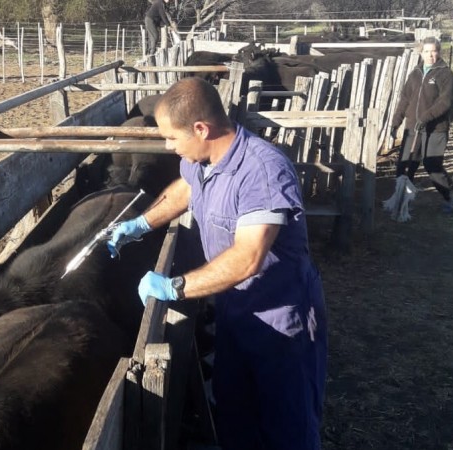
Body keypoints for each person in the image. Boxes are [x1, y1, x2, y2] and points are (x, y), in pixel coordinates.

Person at [108, 77, 327, 450]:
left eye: (172, 138)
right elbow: (185, 189)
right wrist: (141, 224)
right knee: (234, 414)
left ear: (201, 129)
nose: (168, 146)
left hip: (281, 320)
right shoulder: (203, 161)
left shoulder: (262, 171)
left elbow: (248, 258)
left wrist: (175, 287)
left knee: (286, 425)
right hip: (234, 310)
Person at [391, 36, 453, 213]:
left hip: (436, 128)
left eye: (434, 51)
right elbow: (405, 99)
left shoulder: (445, 74)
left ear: (439, 52)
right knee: (405, 165)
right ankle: (402, 202)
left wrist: (425, 117)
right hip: (413, 126)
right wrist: (395, 123)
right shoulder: (415, 73)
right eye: (427, 51)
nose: (430, 55)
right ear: (421, 53)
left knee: (432, 164)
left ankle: (452, 196)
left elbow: (445, 102)